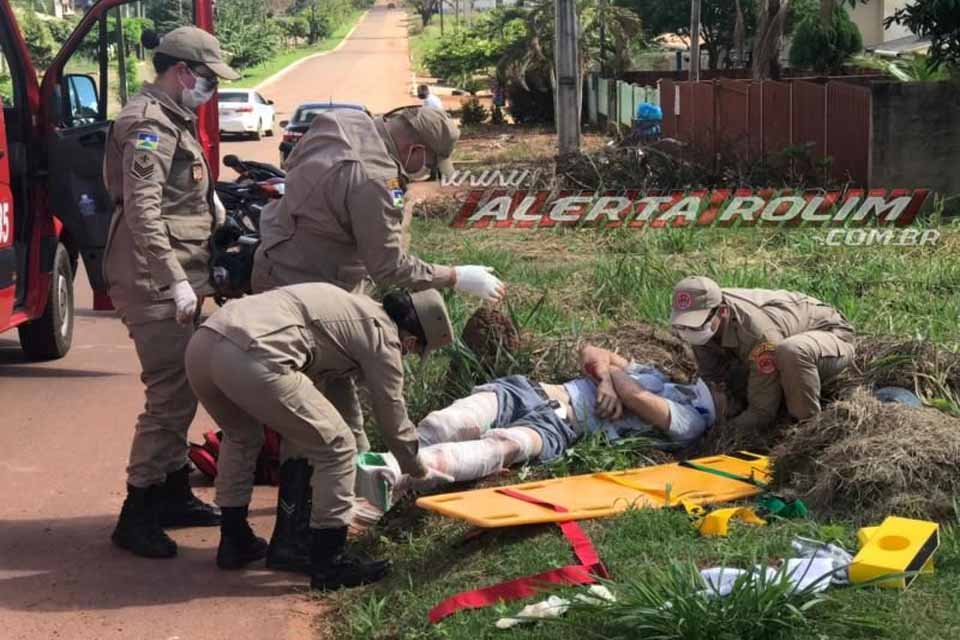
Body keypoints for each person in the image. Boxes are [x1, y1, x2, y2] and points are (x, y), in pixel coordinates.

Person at [251, 104, 505, 572]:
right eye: (425, 165)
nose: (420, 175)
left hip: (280, 268)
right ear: (413, 150)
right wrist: (454, 276)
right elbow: (388, 265)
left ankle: (324, 522)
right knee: (313, 421)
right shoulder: (375, 179)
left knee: (338, 414)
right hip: (308, 298)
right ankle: (294, 540)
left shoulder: (346, 122)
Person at [183, 283, 453, 589]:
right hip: (254, 353)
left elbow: (340, 396)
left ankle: (234, 540)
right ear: (411, 339)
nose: (408, 356)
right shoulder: (384, 337)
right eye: (414, 352)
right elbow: (392, 415)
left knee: (241, 437)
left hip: (205, 342)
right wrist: (417, 469)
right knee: (337, 447)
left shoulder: (352, 309)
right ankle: (330, 564)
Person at [102, 26, 240, 559]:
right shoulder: (147, 124)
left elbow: (177, 196)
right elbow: (142, 211)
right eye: (206, 78)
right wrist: (174, 278)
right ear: (182, 71)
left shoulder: (171, 117)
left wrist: (214, 210)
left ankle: (175, 493)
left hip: (178, 270)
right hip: (153, 276)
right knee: (167, 394)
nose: (208, 89)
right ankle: (136, 512)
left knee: (186, 384)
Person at [357, 343, 736, 498]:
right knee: (446, 423)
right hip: (534, 390)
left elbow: (639, 399)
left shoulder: (694, 422)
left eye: (724, 386)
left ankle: (388, 472)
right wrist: (604, 377)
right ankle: (366, 471)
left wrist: (612, 379)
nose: (716, 381)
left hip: (560, 427)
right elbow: (591, 350)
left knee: (501, 447)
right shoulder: (663, 377)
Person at [669, 276, 855, 430]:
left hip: (829, 336)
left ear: (722, 312)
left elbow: (762, 412)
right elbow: (713, 377)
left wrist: (724, 431)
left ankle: (808, 428)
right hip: (777, 337)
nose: (689, 332)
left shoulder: (757, 334)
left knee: (790, 352)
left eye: (696, 325)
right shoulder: (703, 316)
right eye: (684, 326)